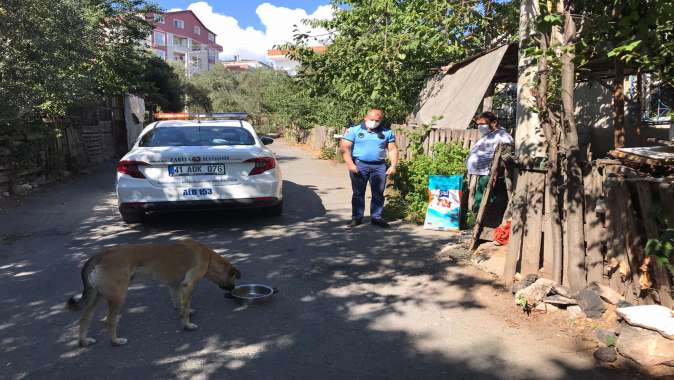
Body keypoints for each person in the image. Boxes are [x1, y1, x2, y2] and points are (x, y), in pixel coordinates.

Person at [341, 109, 398, 228]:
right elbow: (345, 148)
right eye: (371, 120)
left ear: (381, 120)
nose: (374, 122)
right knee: (358, 193)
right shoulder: (354, 130)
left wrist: (393, 165)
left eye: (377, 120)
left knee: (378, 193)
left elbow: (392, 149)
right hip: (359, 165)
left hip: (379, 167)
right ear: (365, 118)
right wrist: (350, 164)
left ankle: (376, 217)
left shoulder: (387, 132)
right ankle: (357, 218)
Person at [466, 111, 514, 213]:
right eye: (478, 124)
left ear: (494, 123)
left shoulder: (503, 136)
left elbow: (505, 154)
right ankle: (476, 218)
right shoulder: (490, 134)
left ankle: (484, 220)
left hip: (491, 172)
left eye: (483, 124)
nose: (480, 127)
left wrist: (497, 170)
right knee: (480, 195)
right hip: (483, 172)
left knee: (486, 197)